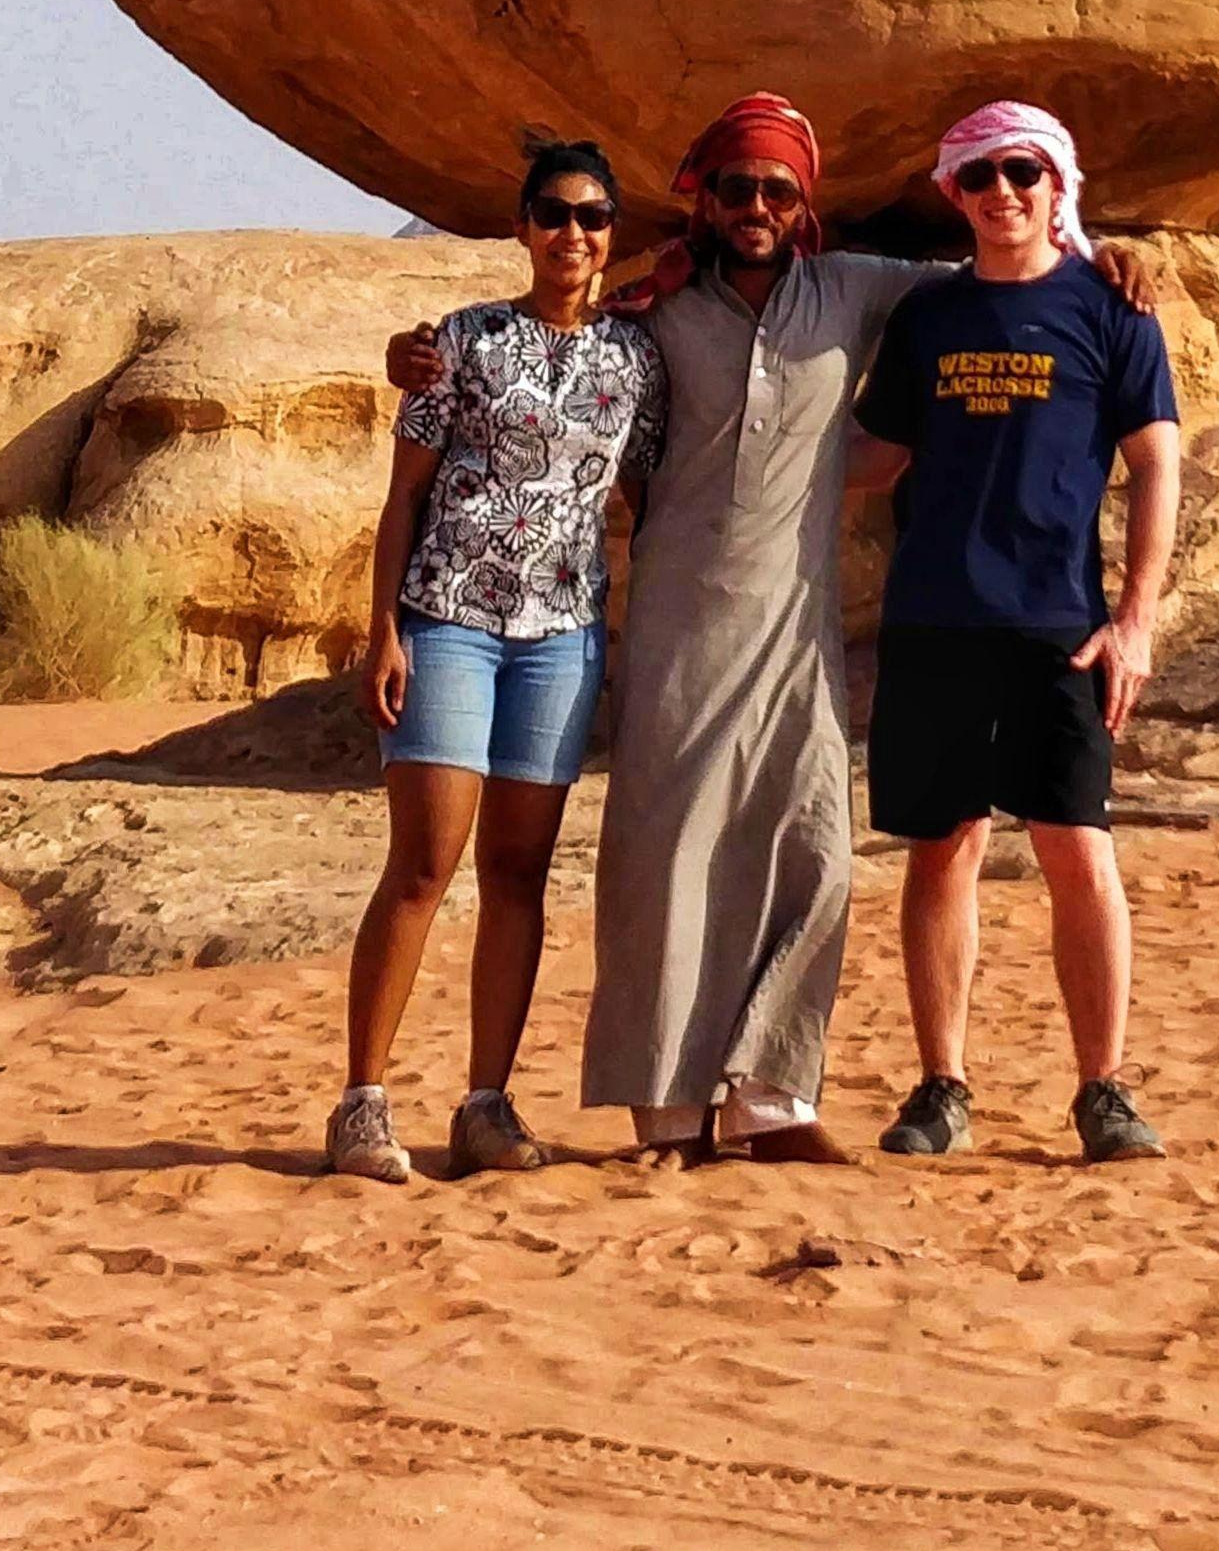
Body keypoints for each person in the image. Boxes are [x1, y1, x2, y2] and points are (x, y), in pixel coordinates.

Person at [384, 92, 1165, 1164]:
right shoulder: (651, 312)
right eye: (738, 186)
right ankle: (666, 1105)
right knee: (665, 854)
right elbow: (547, 340)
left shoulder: (854, 289)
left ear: (804, 206)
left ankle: (770, 1097)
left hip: (795, 623)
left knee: (812, 850)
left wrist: (1101, 252)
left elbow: (998, 268)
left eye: (778, 190)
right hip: (673, 613)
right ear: (704, 199)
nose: (757, 205)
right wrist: (419, 355)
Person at [324, 141, 667, 1185]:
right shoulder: (465, 341)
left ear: (613, 233)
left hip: (560, 639)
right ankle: (361, 1105)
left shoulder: (636, 360)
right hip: (449, 621)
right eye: (554, 214)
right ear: (522, 227)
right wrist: (383, 629)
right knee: (425, 863)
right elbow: (404, 494)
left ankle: (484, 1103)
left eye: (594, 217)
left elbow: (650, 496)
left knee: (517, 874)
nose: (574, 234)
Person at [849, 99, 1181, 1165]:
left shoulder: (1110, 307)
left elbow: (1156, 461)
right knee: (941, 851)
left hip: (1060, 630)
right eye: (980, 176)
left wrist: (1136, 619)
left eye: (1023, 173)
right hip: (935, 619)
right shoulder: (930, 318)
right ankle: (942, 1085)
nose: (1002, 193)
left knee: (1078, 852)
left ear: (1057, 186)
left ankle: (1104, 1090)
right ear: (954, 192)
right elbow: (876, 457)